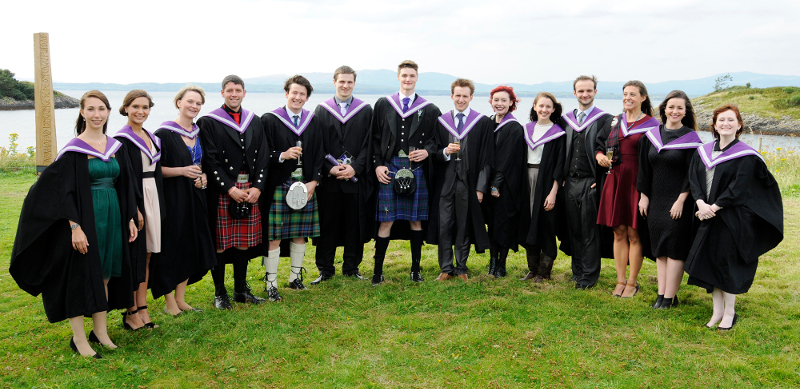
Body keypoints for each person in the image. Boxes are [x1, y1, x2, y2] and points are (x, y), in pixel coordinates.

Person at [11, 90, 138, 358]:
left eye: (101, 109)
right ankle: (79, 339)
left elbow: (125, 185)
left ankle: (100, 332)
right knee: (80, 277)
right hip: (85, 219)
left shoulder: (115, 147)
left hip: (112, 216)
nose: (96, 114)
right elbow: (60, 192)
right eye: (91, 109)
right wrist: (74, 226)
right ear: (82, 112)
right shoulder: (72, 151)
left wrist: (128, 217)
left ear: (108, 112)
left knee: (104, 274)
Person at [685, 104, 782, 330]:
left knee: (727, 264)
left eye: (730, 120)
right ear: (715, 125)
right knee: (712, 262)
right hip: (705, 213)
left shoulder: (746, 156)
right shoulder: (703, 151)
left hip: (731, 218)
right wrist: (700, 203)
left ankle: (729, 312)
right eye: (721, 120)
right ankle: (717, 311)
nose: (725, 124)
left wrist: (714, 207)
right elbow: (694, 180)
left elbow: (739, 188)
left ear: (739, 125)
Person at [198, 75, 269, 309]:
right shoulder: (208, 122)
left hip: (249, 188)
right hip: (224, 189)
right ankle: (220, 293)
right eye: (229, 90)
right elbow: (210, 160)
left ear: (244, 93)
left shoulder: (254, 120)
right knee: (221, 242)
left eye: (238, 90)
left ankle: (240, 289)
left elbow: (263, 157)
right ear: (222, 93)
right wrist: (229, 189)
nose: (234, 94)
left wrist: (257, 186)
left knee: (243, 242)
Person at [371, 60, 441, 285]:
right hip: (389, 167)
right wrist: (378, 164)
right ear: (398, 77)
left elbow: (435, 140)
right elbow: (375, 138)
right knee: (385, 221)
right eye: (404, 76)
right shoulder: (384, 104)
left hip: (416, 169)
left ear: (417, 78)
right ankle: (377, 271)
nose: (408, 79)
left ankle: (415, 270)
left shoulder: (429, 108)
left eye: (412, 76)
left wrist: (427, 152)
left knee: (416, 221)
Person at [152, 85, 217, 315]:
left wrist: (205, 176)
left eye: (198, 103)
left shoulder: (200, 132)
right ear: (178, 102)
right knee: (172, 247)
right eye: (190, 101)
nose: (194, 106)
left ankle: (181, 299)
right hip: (173, 197)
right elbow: (154, 170)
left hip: (196, 196)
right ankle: (169, 302)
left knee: (191, 244)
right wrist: (181, 171)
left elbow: (205, 164)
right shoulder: (163, 134)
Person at [637, 90, 703, 309]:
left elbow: (692, 174)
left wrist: (681, 200)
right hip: (656, 199)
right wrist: (644, 196)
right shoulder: (652, 135)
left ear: (686, 112)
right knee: (661, 249)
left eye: (680, 108)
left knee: (675, 248)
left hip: (678, 201)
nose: (675, 111)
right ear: (664, 109)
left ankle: (670, 297)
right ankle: (661, 294)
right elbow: (644, 169)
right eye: (671, 107)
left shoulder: (691, 139)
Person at [261, 75, 324, 301]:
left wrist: (314, 181)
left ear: (307, 98)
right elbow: (261, 154)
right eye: (294, 93)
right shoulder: (269, 120)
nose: (298, 97)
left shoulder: (313, 121)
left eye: (302, 94)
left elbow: (319, 154)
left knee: (300, 234)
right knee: (274, 236)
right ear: (286, 93)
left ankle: (295, 278)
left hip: (305, 183)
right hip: (279, 183)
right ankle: (271, 283)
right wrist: (281, 155)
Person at [596, 80, 660, 298]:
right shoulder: (614, 121)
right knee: (618, 231)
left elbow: (654, 159)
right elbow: (599, 145)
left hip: (636, 180)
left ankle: (632, 283)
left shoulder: (652, 125)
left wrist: (646, 191)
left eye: (633, 94)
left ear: (643, 97)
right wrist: (600, 156)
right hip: (614, 178)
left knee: (634, 233)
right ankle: (620, 280)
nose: (628, 98)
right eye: (625, 94)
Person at [311, 66, 374, 284]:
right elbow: (316, 145)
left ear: (354, 84)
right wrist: (329, 168)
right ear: (334, 82)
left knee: (354, 225)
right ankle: (325, 269)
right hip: (330, 181)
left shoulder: (365, 110)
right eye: (341, 82)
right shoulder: (321, 110)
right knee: (327, 225)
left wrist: (356, 167)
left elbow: (370, 145)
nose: (345, 85)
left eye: (349, 82)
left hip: (355, 179)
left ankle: (351, 268)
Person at [428, 78, 493, 282]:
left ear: (471, 97)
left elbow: (487, 158)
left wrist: (481, 188)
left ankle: (461, 267)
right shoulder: (441, 121)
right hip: (445, 182)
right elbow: (433, 151)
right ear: (452, 96)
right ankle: (446, 268)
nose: (461, 99)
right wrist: (444, 152)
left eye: (465, 96)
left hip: (468, 183)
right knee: (444, 224)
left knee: (464, 225)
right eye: (458, 95)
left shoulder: (481, 122)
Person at [114, 89, 164, 328]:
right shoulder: (121, 140)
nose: (140, 111)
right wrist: (134, 209)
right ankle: (130, 310)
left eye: (145, 107)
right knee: (135, 255)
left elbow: (156, 171)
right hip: (136, 198)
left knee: (147, 254)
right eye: (135, 107)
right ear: (125, 109)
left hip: (153, 193)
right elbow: (124, 178)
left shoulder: (151, 137)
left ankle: (142, 307)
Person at [557, 75, 612, 289]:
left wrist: (601, 180)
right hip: (570, 181)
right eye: (581, 91)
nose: (585, 94)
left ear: (595, 92)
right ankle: (577, 271)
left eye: (589, 90)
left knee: (589, 231)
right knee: (574, 229)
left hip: (591, 182)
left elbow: (610, 152)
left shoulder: (605, 120)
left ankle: (589, 276)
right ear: (574, 93)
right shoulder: (565, 119)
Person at [518, 92, 566, 282]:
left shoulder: (557, 133)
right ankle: (532, 269)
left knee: (546, 223)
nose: (544, 110)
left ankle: (544, 272)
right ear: (535, 107)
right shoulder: (526, 129)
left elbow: (559, 165)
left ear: (553, 109)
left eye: (548, 106)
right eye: (541, 106)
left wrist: (553, 192)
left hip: (546, 181)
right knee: (529, 222)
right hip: (526, 179)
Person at [485, 86, 525, 278]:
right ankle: (492, 262)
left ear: (511, 103)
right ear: (491, 102)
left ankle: (501, 264)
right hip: (488, 182)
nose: (499, 104)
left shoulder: (514, 128)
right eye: (496, 100)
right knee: (491, 224)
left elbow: (507, 158)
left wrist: (496, 184)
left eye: (504, 100)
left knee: (504, 223)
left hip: (506, 185)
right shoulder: (487, 123)